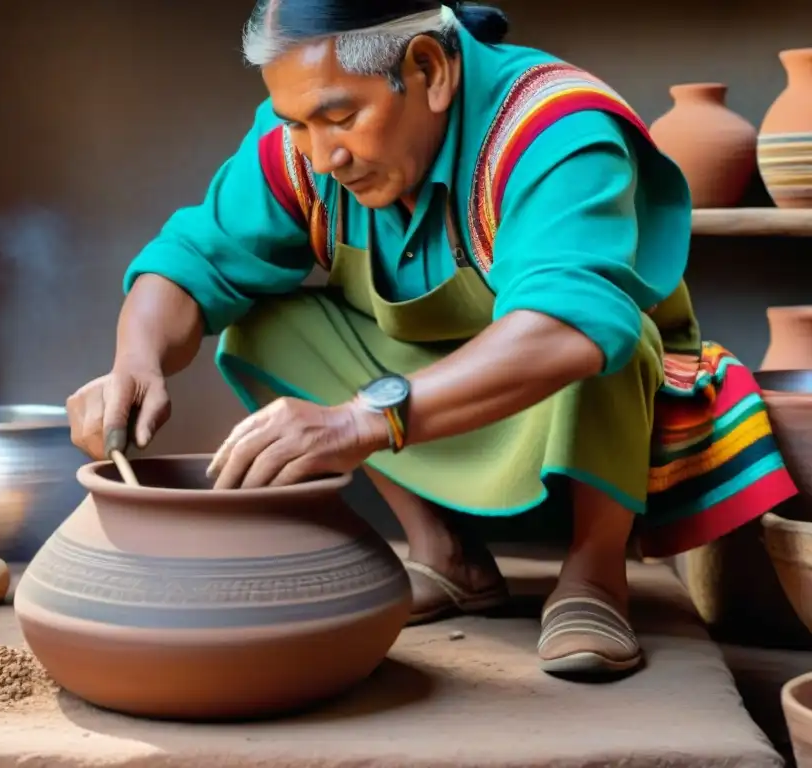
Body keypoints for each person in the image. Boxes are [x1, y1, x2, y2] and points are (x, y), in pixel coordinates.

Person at [67, 0, 798, 679]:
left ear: (429, 70)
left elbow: (566, 328)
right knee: (265, 323)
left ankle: (594, 573)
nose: (322, 157)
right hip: (431, 424)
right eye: (297, 125)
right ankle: (448, 557)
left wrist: (361, 419)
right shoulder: (302, 140)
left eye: (341, 118)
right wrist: (136, 360)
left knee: (606, 330)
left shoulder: (556, 127)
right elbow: (190, 262)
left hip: (592, 434)